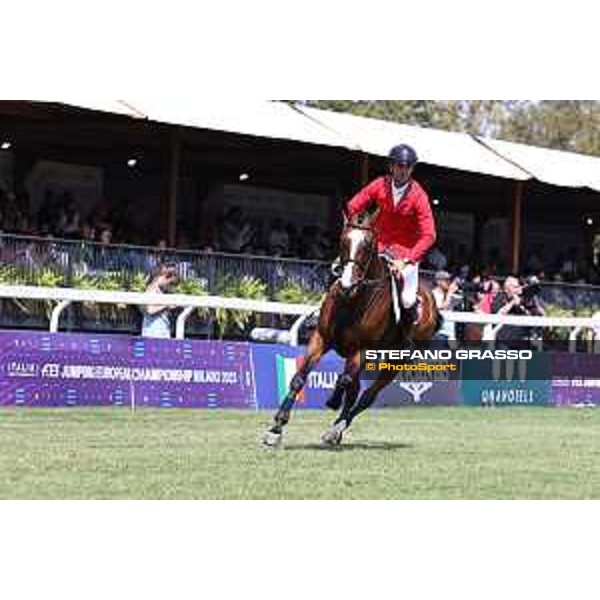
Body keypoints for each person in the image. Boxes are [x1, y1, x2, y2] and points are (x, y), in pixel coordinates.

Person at [346, 143, 437, 324]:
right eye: (399, 166)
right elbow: (352, 206)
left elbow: (429, 235)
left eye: (408, 167)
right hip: (377, 246)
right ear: (391, 166)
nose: (403, 170)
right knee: (345, 273)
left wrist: (407, 260)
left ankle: (406, 337)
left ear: (412, 168)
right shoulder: (379, 184)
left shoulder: (419, 196)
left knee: (407, 299)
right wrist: (358, 227)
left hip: (405, 253)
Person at [141, 263, 179, 339]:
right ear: (160, 277)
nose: (169, 285)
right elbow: (150, 310)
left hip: (162, 330)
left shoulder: (162, 291)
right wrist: (166, 305)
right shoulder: (151, 290)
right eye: (166, 278)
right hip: (153, 331)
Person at [431, 270, 459, 341]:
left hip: (451, 334)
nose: (449, 283)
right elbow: (441, 307)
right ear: (438, 282)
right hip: (438, 333)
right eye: (446, 280)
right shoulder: (432, 294)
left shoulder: (451, 295)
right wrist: (449, 293)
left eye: (449, 280)